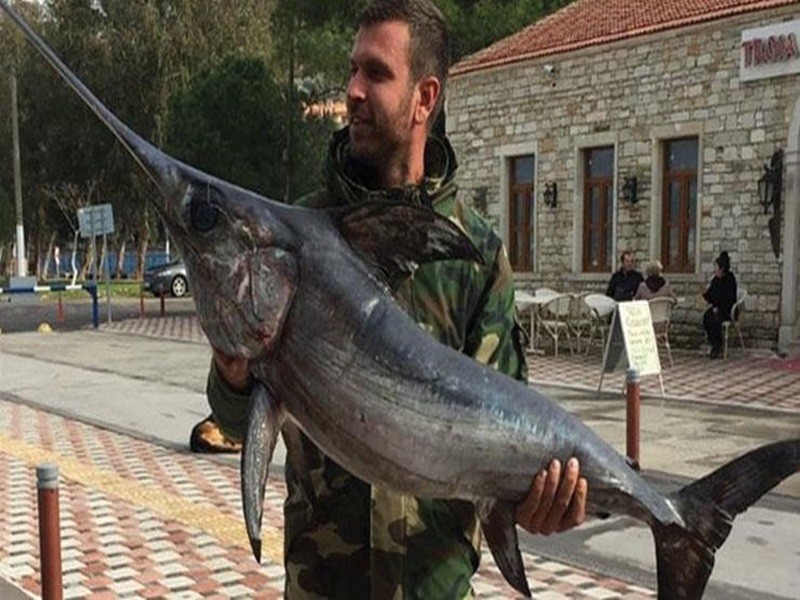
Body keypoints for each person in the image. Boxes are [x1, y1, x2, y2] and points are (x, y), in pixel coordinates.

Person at [197, 1, 588, 597]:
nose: (353, 91)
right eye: (351, 70)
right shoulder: (293, 238)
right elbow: (235, 423)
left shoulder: (476, 254)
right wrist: (231, 374)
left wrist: (540, 499)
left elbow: (506, 435)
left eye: (376, 73)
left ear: (424, 98)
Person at [702, 251, 737, 359]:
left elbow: (729, 298)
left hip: (727, 310)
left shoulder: (730, 279)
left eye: (716, 267)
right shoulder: (715, 280)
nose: (715, 269)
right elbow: (711, 295)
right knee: (707, 317)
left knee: (716, 320)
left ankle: (717, 346)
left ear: (722, 268)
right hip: (715, 308)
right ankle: (714, 343)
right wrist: (704, 294)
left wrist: (718, 307)